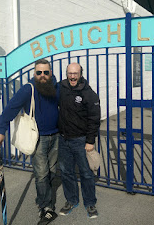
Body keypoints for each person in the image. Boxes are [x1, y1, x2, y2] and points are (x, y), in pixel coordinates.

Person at [0, 59, 59, 225]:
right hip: (38, 138)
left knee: (50, 172)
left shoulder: (55, 87)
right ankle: (46, 208)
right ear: (34, 74)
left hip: (56, 136)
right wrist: (0, 130)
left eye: (46, 72)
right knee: (42, 174)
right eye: (39, 72)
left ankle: (42, 198)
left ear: (50, 73)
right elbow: (9, 109)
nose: (42, 76)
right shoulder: (27, 89)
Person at [58, 62, 101, 219]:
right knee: (66, 172)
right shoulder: (60, 88)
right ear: (66, 73)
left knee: (86, 173)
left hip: (81, 141)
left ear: (81, 74)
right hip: (63, 139)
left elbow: (94, 119)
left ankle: (90, 203)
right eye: (70, 73)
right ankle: (71, 200)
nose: (72, 76)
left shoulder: (89, 94)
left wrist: (90, 141)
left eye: (75, 73)